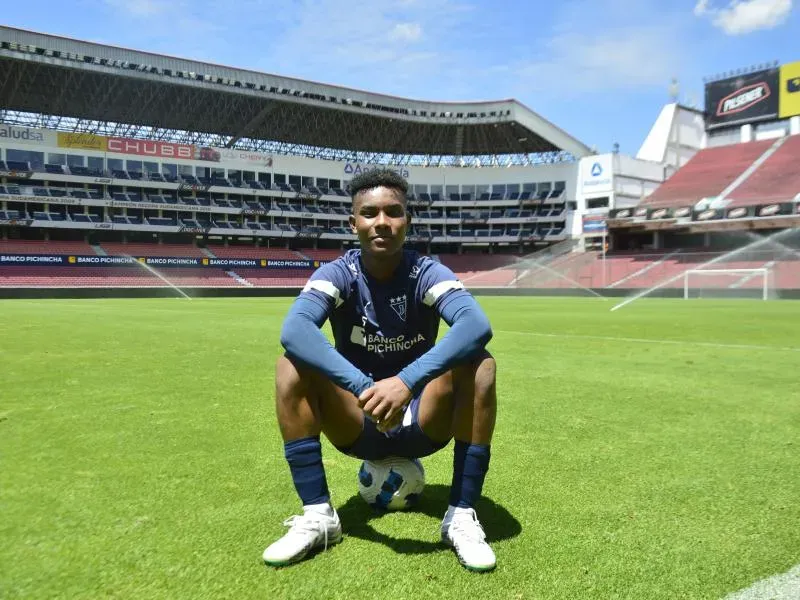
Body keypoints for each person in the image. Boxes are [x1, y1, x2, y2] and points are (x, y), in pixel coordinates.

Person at [263, 168, 498, 572]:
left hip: (424, 417)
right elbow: (295, 330)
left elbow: (476, 326)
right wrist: (364, 387)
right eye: (370, 213)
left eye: (394, 212)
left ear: (407, 220)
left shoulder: (425, 272)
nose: (383, 223)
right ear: (353, 223)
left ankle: (460, 514)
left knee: (480, 365)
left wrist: (406, 382)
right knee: (290, 366)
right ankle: (320, 515)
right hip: (358, 418)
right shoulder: (339, 273)